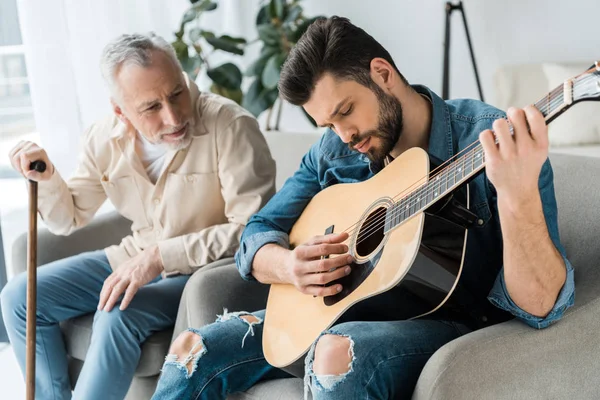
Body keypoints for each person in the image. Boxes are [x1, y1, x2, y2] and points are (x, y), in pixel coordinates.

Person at [151, 17, 574, 400]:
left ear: (383, 74)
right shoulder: (334, 151)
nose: (344, 134)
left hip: (446, 319)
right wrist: (289, 266)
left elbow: (540, 305)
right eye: (328, 124)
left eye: (346, 111)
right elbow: (257, 231)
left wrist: (518, 196)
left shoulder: (488, 142)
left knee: (336, 354)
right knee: (192, 349)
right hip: (342, 311)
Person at [1, 32, 275, 400]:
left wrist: (160, 256)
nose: (174, 115)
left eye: (177, 92)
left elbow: (251, 230)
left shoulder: (231, 126)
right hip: (135, 258)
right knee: (18, 296)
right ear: (120, 110)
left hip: (203, 273)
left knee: (117, 312)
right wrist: (47, 176)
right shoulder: (103, 138)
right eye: (151, 107)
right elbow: (68, 218)